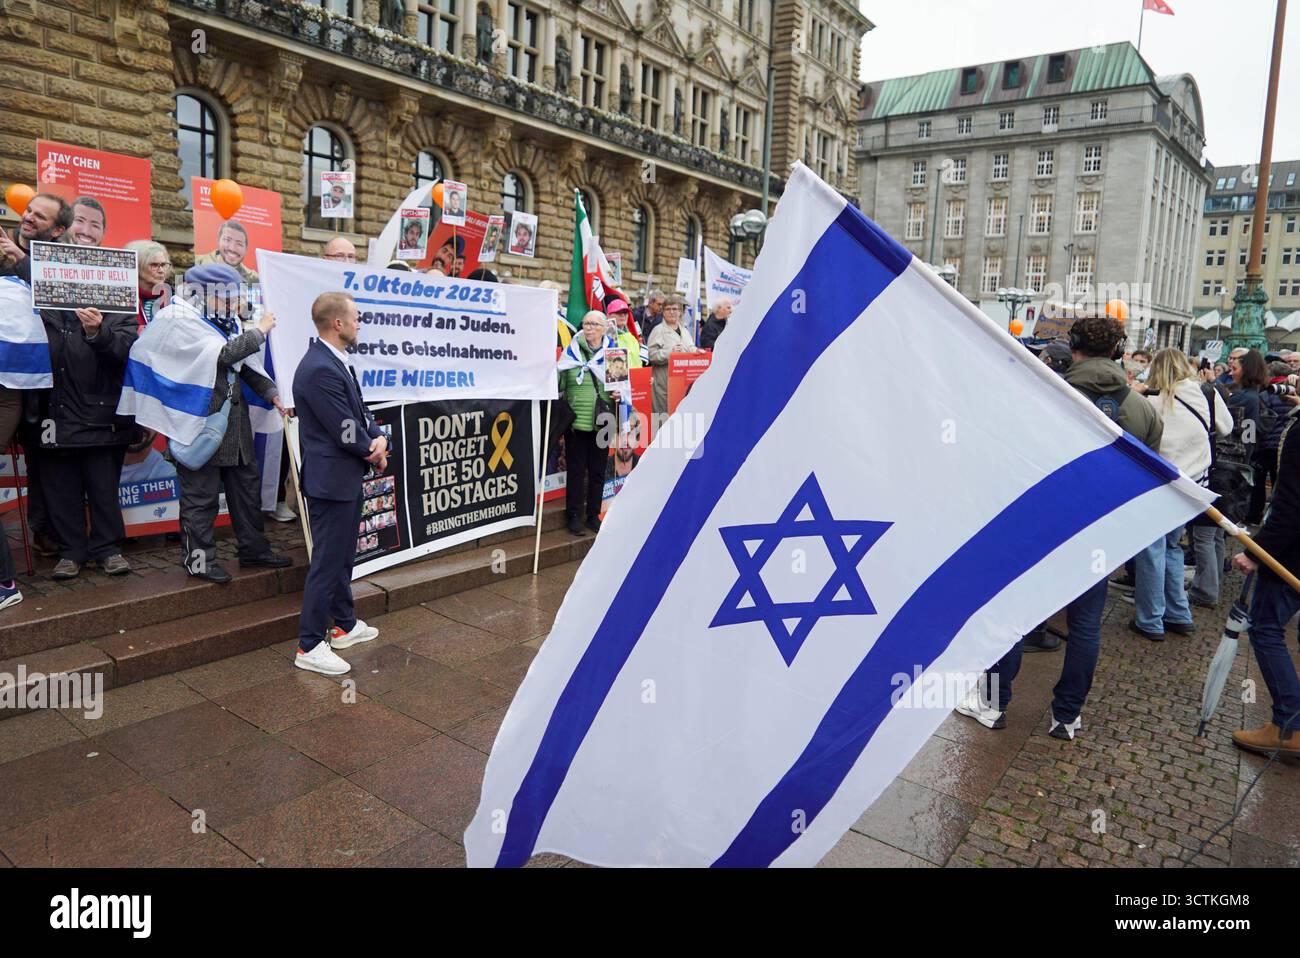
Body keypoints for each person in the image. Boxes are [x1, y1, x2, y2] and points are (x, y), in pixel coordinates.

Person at [958, 315, 1162, 740]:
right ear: (1119, 352)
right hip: (1100, 532)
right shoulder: (1142, 407)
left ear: (1073, 346)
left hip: (1037, 525)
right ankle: (1067, 716)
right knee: (1086, 626)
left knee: (1012, 614)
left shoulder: (1045, 393)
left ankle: (994, 704)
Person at [148, 264, 291, 583]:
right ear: (202, 293)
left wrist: (271, 394)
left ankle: (254, 550)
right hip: (197, 427)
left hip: (234, 428)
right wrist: (260, 330)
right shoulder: (179, 320)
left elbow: (245, 367)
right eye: (225, 295)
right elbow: (223, 356)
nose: (232, 301)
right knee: (200, 501)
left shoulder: (227, 322)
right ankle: (199, 562)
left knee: (247, 494)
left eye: (234, 294)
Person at [292, 291, 386, 675]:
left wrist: (378, 437)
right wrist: (372, 449)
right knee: (328, 562)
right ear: (338, 324)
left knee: (343, 555)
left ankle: (343, 624)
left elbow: (360, 413)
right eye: (356, 317)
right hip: (329, 481)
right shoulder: (319, 368)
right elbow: (346, 430)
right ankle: (309, 644)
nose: (359, 323)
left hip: (343, 478)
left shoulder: (336, 362)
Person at [34, 296, 139, 578]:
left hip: (102, 414)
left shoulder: (118, 305)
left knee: (103, 489)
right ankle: (71, 553)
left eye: (93, 246)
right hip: (51, 415)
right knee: (60, 491)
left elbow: (126, 353)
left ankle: (108, 550)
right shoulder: (38, 306)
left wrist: (97, 331)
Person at [1130, 350, 1217, 640]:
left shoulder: (1151, 399)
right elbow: (1226, 428)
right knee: (1172, 547)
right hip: (1193, 486)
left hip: (1160, 485)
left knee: (1152, 551)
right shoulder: (1205, 394)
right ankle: (1179, 613)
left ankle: (1151, 620)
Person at [1232, 411, 1300, 757]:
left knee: (1265, 629)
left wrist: (1258, 552)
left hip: (1293, 553)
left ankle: (1290, 724)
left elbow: (1291, 505)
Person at [558, 311, 614, 537]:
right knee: (576, 471)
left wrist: (619, 395)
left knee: (598, 471)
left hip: (603, 422)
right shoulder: (570, 353)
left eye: (594, 324)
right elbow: (558, 382)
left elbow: (621, 386)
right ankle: (573, 515)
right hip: (577, 422)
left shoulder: (613, 355)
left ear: (603, 329)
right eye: (586, 323)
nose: (588, 327)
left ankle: (593, 515)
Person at [0, 192, 71, 282]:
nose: (28, 218)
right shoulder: (3, 240)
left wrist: (22, 258)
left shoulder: (63, 260)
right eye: (29, 210)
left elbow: (51, 289)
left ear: (57, 231)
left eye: (40, 216)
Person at [647, 294, 699, 416]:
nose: (671, 312)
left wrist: (697, 352)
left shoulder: (685, 330)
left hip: (681, 383)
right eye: (668, 309)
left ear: (680, 312)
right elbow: (651, 355)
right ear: (663, 312)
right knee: (661, 419)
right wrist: (670, 353)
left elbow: (690, 347)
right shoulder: (658, 330)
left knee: (677, 419)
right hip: (663, 383)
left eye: (675, 309)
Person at [194, 220, 259, 285]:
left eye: (239, 244)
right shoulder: (196, 262)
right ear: (218, 240)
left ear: (246, 249)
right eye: (227, 240)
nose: (232, 248)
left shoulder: (254, 279)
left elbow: (254, 295)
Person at [125, 240, 172, 329]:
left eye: (164, 265)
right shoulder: (122, 301)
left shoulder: (174, 300)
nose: (161, 271)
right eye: (154, 265)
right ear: (136, 266)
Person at [607, 299, 642, 367]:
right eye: (618, 312)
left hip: (635, 377)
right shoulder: (604, 337)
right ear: (608, 315)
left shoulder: (632, 338)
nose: (623, 315)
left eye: (625, 312)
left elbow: (638, 364)